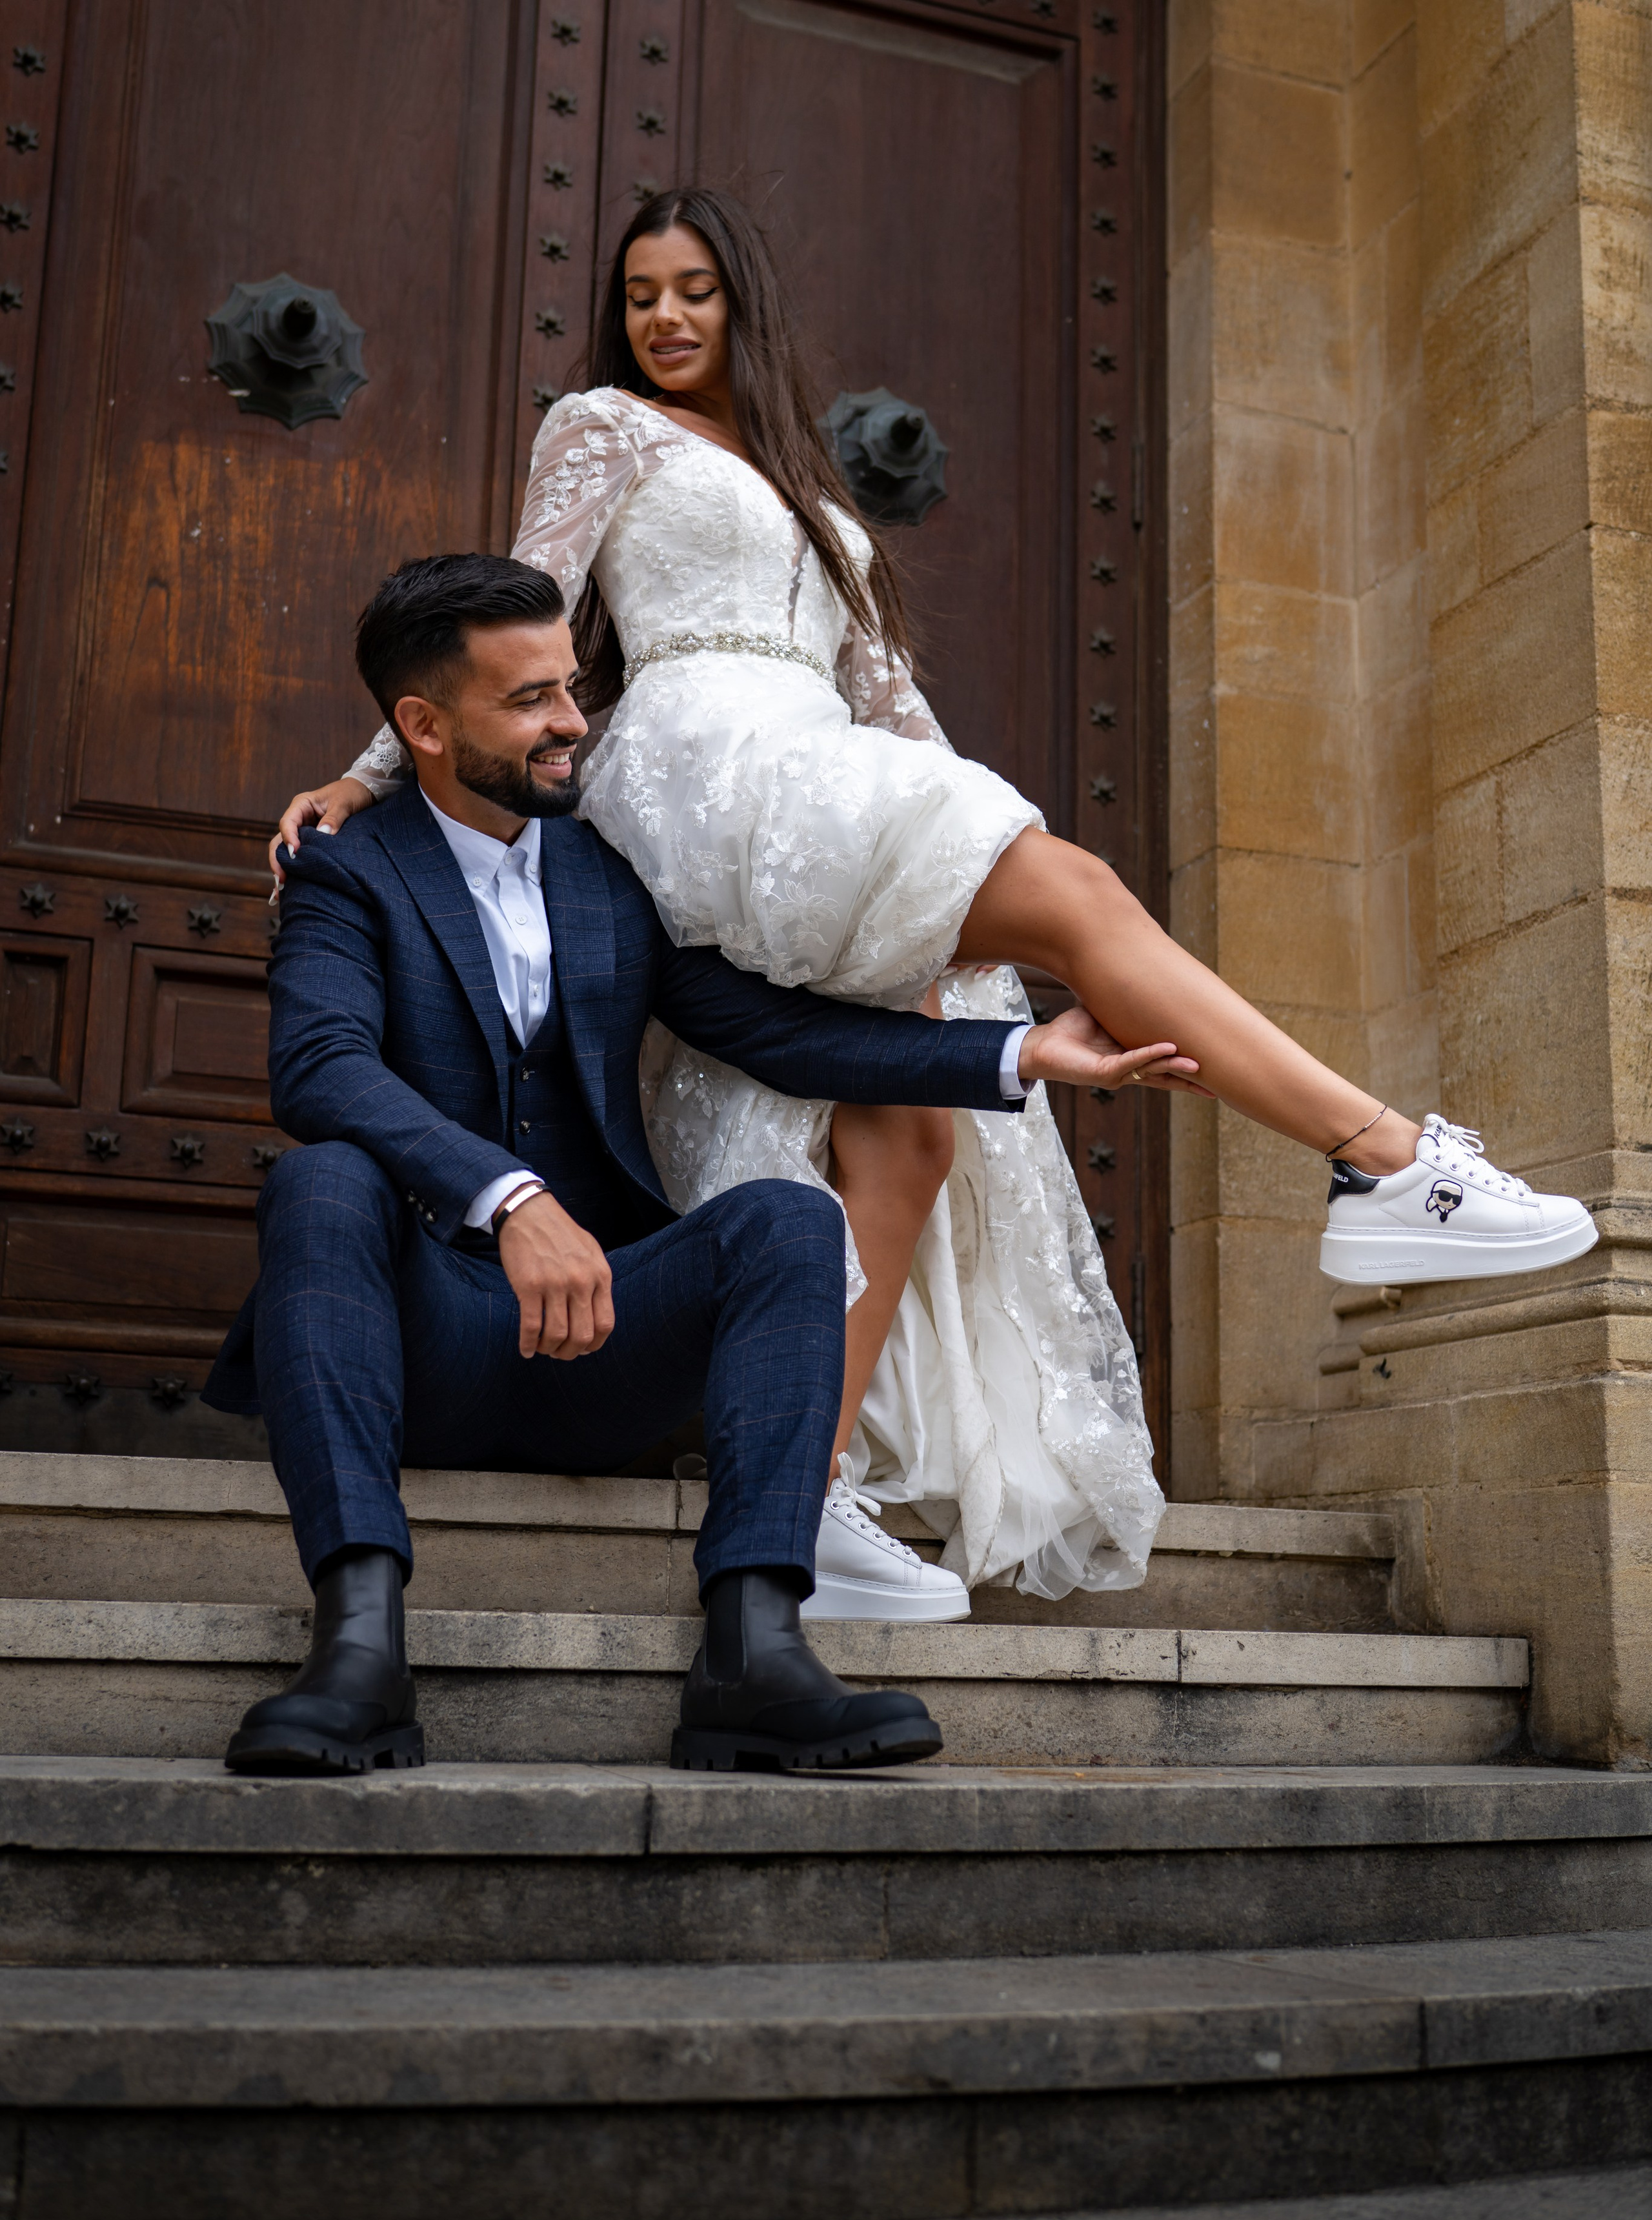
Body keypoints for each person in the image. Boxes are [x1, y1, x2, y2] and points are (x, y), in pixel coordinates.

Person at [274, 187, 1597, 1610]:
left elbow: (886, 693)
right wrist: (375, 770)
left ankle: (809, 1490)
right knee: (1076, 900)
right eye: (643, 291)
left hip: (828, 759)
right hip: (705, 763)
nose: (663, 316)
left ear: (744, 305)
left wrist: (972, 815)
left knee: (905, 1140)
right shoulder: (599, 422)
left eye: (696, 290)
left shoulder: (807, 481)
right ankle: (1378, 1160)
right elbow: (514, 608)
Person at [209, 551, 1146, 1775]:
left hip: (605, 1346)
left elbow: (762, 1025)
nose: (572, 723)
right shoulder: (348, 870)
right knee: (320, 1179)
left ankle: (752, 1656)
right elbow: (320, 1068)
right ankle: (359, 1653)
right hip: (423, 1337)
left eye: (568, 688)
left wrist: (1023, 1050)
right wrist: (511, 1198)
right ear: (423, 727)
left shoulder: (605, 876)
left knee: (787, 1222)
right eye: (531, 700)